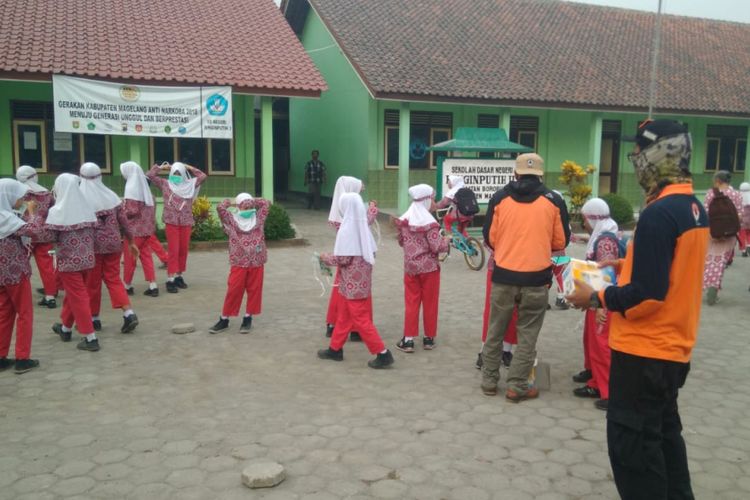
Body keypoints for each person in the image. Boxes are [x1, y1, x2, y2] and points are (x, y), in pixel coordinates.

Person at [566, 119, 708, 500]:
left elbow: (648, 296)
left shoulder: (659, 216)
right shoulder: (692, 208)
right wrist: (624, 267)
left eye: (641, 154)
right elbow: (671, 277)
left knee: (636, 455)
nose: (636, 162)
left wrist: (596, 298)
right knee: (665, 441)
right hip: (674, 350)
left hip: (644, 353)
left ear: (662, 155)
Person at [481, 153, 570, 402]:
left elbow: (490, 238)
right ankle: (517, 386)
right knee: (528, 333)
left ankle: (489, 380)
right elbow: (560, 242)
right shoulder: (553, 200)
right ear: (541, 174)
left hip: (503, 277)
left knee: (496, 328)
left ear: (515, 173)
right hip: (536, 279)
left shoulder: (499, 198)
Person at [317, 192, 393, 369]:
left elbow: (343, 259)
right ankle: (335, 348)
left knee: (360, 319)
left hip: (352, 283)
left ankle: (382, 353)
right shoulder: (362, 227)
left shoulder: (348, 228)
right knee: (344, 315)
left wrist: (325, 258)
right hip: (359, 282)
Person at [572, 198, 620, 411]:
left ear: (593, 218)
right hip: (596, 297)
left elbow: (607, 274)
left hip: (603, 300)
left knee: (601, 345)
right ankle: (594, 378)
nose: (585, 223)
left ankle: (609, 391)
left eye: (585, 219)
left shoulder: (605, 242)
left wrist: (602, 305)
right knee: (591, 340)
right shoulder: (602, 235)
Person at [79, 162, 139, 334]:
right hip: (114, 244)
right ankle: (129, 313)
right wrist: (132, 241)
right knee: (113, 279)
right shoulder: (112, 196)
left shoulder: (79, 198)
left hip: (92, 247)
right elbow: (124, 222)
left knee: (92, 283)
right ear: (100, 176)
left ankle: (94, 318)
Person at [47, 174, 101, 351]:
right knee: (75, 295)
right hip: (87, 260)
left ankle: (90, 338)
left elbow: (49, 237)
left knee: (78, 298)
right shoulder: (87, 208)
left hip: (68, 264)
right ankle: (66, 328)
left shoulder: (57, 211)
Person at [392, 184, 448, 352]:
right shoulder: (430, 223)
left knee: (411, 302)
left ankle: (408, 339)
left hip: (411, 268)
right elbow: (436, 246)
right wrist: (446, 241)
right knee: (430, 302)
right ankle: (428, 338)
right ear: (425, 200)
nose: (434, 202)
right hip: (429, 269)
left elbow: (401, 241)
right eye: (432, 198)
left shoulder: (405, 220)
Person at [325, 176, 378, 340]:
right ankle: (357, 330)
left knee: (341, 293)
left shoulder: (342, 211)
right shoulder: (352, 213)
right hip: (356, 259)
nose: (361, 189)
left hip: (345, 257)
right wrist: (373, 210)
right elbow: (364, 223)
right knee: (357, 297)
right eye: (357, 188)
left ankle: (334, 327)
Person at [209, 193, 270, 334]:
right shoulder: (231, 220)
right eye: (244, 206)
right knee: (233, 289)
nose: (248, 209)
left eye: (250, 207)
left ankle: (248, 318)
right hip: (239, 261)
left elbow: (266, 203)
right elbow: (220, 208)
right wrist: (233, 202)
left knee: (254, 290)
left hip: (257, 261)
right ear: (238, 207)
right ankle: (224, 319)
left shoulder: (259, 218)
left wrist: (250, 200)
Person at [0, 179, 44, 373]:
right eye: (18, 198)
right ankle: (22, 358)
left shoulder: (7, 217)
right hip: (16, 274)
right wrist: (33, 213)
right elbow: (34, 231)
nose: (21, 201)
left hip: (2, 276)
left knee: (3, 313)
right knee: (24, 314)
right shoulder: (7, 219)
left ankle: (1, 356)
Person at [147, 161, 207, 293]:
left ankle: (179, 276)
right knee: (173, 250)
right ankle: (170, 279)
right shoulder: (165, 184)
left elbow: (203, 176)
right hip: (171, 222)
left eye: (179, 173)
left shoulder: (190, 185)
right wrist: (162, 167)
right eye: (174, 173)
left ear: (184, 174)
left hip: (186, 222)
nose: (176, 176)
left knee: (183, 250)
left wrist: (188, 166)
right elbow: (150, 175)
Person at [16, 165, 59, 308]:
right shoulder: (46, 193)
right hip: (44, 234)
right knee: (46, 265)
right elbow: (53, 210)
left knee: (21, 265)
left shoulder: (18, 191)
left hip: (24, 234)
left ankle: (19, 295)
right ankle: (50, 296)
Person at [120, 161, 160, 297]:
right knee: (146, 257)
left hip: (134, 232)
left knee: (130, 258)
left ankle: (127, 286)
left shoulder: (131, 188)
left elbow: (132, 210)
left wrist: (120, 213)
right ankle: (153, 285)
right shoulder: (145, 188)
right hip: (147, 230)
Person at [703, 170, 742, 305]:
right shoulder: (736, 194)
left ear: (718, 181)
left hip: (712, 233)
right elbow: (740, 215)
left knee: (709, 259)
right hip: (729, 234)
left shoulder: (710, 193)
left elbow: (705, 213)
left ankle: (708, 284)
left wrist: (710, 230)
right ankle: (715, 287)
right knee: (721, 261)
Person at [476, 247, 517, 370]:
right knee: (493, 310)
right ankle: (487, 350)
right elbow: (488, 237)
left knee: (513, 309)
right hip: (503, 265)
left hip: (517, 266)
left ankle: (505, 350)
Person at [740, 182, 750, 257]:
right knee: (749, 233)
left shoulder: (739, 196)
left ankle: (743, 250)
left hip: (742, 219)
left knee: (742, 234)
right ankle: (749, 245)